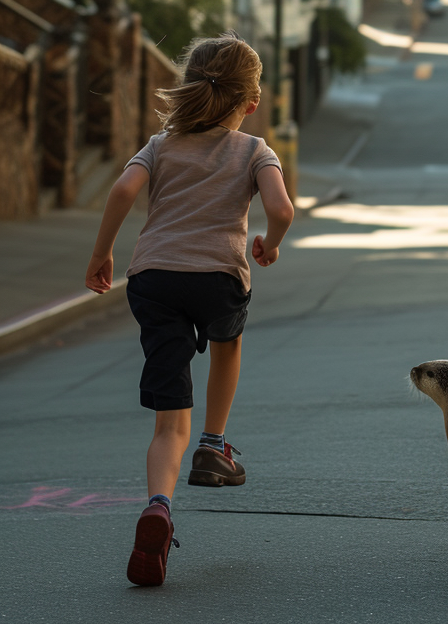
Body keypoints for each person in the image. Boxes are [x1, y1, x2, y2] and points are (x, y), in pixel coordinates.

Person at [84, 32, 294, 586]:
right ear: (250, 103)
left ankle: (158, 505)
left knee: (167, 420)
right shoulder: (254, 150)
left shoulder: (160, 144)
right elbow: (281, 206)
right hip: (219, 279)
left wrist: (103, 252)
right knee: (228, 344)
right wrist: (269, 243)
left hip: (154, 279)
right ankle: (214, 445)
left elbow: (124, 191)